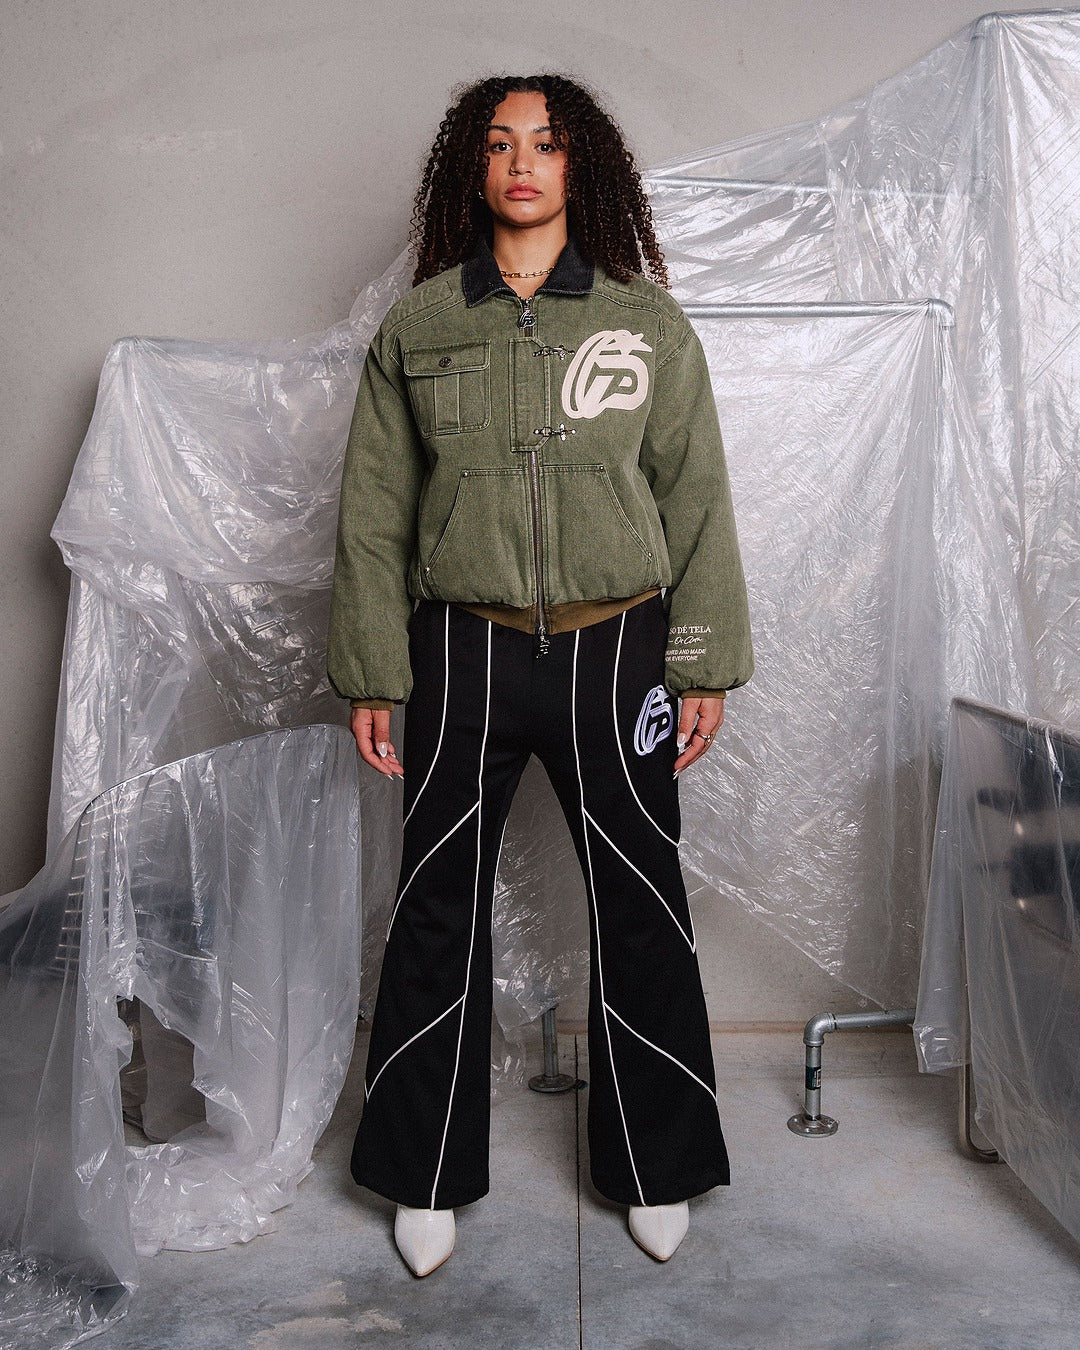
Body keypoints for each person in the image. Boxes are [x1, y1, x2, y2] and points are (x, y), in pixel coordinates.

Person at [328, 73, 753, 1277]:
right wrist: (373, 670)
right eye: (502, 143)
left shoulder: (643, 322)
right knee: (435, 906)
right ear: (472, 168)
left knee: (642, 902)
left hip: (619, 651)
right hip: (460, 650)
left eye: (549, 144)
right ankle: (423, 1174)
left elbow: (697, 496)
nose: (524, 163)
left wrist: (704, 657)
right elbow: (372, 514)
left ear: (581, 167)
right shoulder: (420, 327)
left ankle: (657, 1165)